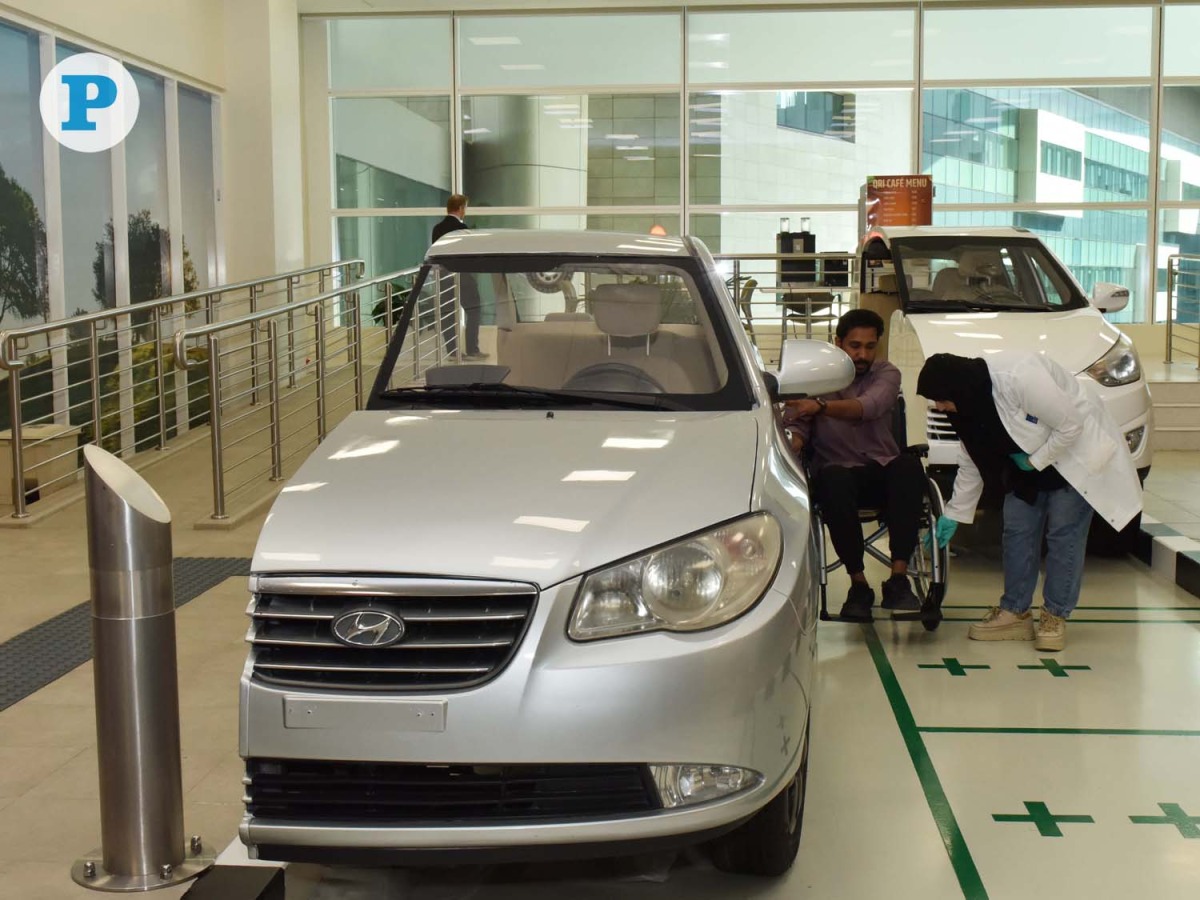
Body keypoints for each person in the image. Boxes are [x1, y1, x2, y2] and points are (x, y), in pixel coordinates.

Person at [916, 351, 1142, 651]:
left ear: (958, 387)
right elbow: (972, 457)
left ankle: (1055, 616)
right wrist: (954, 513)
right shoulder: (969, 406)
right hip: (1025, 464)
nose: (939, 406)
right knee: (1017, 532)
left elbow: (1071, 425)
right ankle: (1015, 612)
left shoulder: (1018, 377)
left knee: (1064, 534)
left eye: (941, 399)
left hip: (1072, 456)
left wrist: (1035, 462)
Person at [783, 308, 925, 621]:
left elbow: (870, 407)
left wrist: (820, 407)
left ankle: (898, 579)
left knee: (909, 467)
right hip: (838, 475)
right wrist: (793, 437)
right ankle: (858, 584)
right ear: (838, 343)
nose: (863, 354)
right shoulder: (816, 379)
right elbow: (800, 426)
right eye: (855, 346)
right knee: (832, 477)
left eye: (870, 346)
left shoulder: (887, 374)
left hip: (882, 469)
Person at [430, 194, 485, 360]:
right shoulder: (462, 229)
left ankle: (453, 352)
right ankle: (472, 349)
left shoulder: (437, 228)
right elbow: (467, 254)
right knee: (474, 309)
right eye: (465, 208)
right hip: (462, 276)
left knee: (448, 313)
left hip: (444, 275)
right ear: (461, 208)